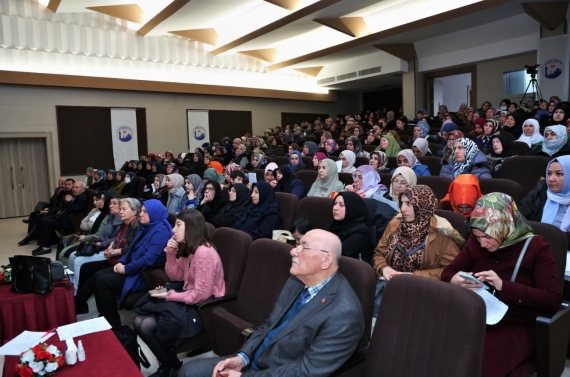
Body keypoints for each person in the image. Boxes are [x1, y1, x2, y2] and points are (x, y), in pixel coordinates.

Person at [178, 229, 364, 377]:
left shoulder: (344, 313)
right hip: (254, 361)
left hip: (280, 372)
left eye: (303, 247)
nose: (293, 250)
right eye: (296, 244)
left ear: (326, 260)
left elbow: (305, 371)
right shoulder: (297, 281)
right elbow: (269, 324)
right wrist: (242, 358)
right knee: (188, 371)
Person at [441, 193, 562, 377]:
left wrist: (503, 286)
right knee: (439, 352)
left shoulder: (536, 247)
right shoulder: (476, 241)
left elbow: (552, 298)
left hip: (515, 323)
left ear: (503, 226)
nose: (482, 243)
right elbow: (448, 272)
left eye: (488, 237)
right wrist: (455, 280)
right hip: (476, 316)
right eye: (477, 236)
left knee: (481, 363)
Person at [133, 210, 225, 377]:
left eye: (178, 225)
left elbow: (200, 295)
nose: (173, 230)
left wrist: (169, 295)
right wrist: (170, 253)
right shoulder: (188, 248)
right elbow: (176, 276)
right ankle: (170, 365)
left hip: (203, 308)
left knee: (146, 325)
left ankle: (169, 367)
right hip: (188, 298)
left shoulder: (204, 253)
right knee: (139, 320)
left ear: (191, 228)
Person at [94, 199, 170, 328]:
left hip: (144, 274)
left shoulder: (161, 232)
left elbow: (148, 260)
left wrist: (125, 269)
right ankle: (105, 315)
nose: (140, 214)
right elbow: (131, 248)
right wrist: (121, 262)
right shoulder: (146, 227)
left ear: (154, 213)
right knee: (97, 275)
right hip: (133, 266)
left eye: (145, 212)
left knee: (103, 282)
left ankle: (113, 325)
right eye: (141, 211)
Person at [374, 185, 462, 281]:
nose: (402, 209)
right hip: (389, 283)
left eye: (409, 204)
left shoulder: (442, 233)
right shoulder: (395, 224)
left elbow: (450, 270)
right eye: (401, 203)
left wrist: (415, 276)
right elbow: (379, 254)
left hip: (422, 288)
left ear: (423, 205)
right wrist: (384, 268)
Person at [72, 196, 140, 314]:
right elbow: (116, 239)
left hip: (122, 261)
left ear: (134, 212)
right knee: (85, 268)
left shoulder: (136, 225)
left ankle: (77, 305)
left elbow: (131, 248)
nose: (120, 211)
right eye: (121, 209)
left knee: (97, 277)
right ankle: (79, 303)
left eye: (123, 209)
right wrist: (111, 247)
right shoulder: (125, 223)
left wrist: (112, 251)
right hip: (113, 257)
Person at [520, 156, 570, 243]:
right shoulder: (538, 193)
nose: (550, 179)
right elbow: (519, 224)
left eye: (559, 174)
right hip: (537, 247)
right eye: (549, 173)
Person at [32, 181, 88, 255]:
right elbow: (66, 208)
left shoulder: (82, 198)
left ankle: (46, 248)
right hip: (63, 217)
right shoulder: (75, 196)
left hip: (71, 221)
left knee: (46, 222)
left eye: (77, 188)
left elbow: (73, 210)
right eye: (73, 187)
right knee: (42, 219)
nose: (74, 189)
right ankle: (50, 242)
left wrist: (68, 202)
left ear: (83, 189)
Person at [58, 191, 109, 265]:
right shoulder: (94, 210)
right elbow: (82, 223)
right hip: (83, 234)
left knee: (63, 254)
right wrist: (89, 225)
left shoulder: (106, 214)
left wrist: (88, 225)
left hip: (91, 238)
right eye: (94, 200)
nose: (94, 202)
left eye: (98, 200)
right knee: (64, 242)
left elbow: (95, 228)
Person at [326, 192, 375, 263]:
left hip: (352, 271)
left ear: (352, 208)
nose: (335, 208)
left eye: (341, 205)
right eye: (335, 203)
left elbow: (338, 253)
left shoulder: (361, 231)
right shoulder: (333, 225)